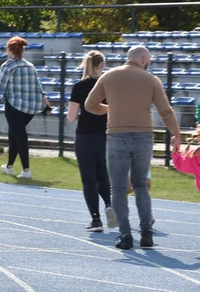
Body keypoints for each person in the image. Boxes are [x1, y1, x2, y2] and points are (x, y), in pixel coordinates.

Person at [85, 46, 181, 250]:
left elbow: (90, 105)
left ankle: (125, 235)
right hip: (143, 136)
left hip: (116, 135)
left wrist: (111, 109)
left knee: (118, 188)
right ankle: (146, 233)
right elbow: (165, 110)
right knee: (140, 185)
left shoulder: (109, 76)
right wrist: (177, 134)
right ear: (144, 58)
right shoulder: (151, 79)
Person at [67, 50, 115, 232]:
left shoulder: (79, 86)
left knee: (89, 180)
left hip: (85, 135)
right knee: (103, 175)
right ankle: (110, 204)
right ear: (102, 65)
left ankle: (96, 219)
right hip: (106, 134)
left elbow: (71, 117)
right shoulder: (109, 85)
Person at [0, 36, 49, 179]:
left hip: (14, 106)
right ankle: (9, 166)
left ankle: (26, 170)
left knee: (20, 136)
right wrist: (46, 103)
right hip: (30, 108)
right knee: (14, 135)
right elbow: (38, 87)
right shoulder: (30, 66)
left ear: (10, 50)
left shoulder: (7, 66)